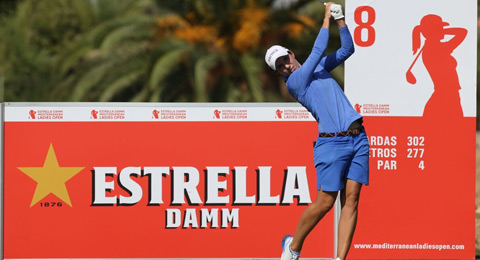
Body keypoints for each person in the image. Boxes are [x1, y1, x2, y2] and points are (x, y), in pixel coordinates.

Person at [265, 3, 369, 260]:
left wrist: (341, 20)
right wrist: (326, 16)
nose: (285, 67)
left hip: (358, 139)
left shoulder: (319, 68)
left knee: (352, 200)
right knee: (325, 202)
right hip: (331, 145)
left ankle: (339, 259)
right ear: (279, 74)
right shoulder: (296, 83)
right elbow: (319, 47)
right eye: (279, 67)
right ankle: (293, 247)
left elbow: (347, 49)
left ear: (290, 54)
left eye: (284, 61)